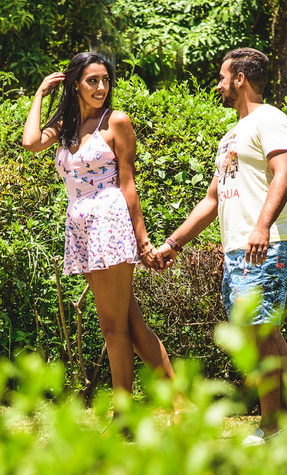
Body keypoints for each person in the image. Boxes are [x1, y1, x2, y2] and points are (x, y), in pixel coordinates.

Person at [154, 47, 287, 446]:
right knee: (258, 334)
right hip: (238, 247)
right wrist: (173, 244)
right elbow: (212, 199)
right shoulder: (231, 136)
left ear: (240, 79)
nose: (218, 84)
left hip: (265, 242)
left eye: (222, 77)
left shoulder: (271, 119)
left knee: (260, 331)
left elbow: (284, 174)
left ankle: (274, 426)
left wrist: (261, 227)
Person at [22, 51, 176, 405]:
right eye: (92, 80)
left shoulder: (115, 121)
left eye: (105, 80)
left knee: (112, 327)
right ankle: (180, 402)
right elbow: (31, 143)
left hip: (108, 222)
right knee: (130, 323)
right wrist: (40, 94)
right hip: (81, 226)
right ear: (75, 83)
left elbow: (128, 184)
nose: (101, 87)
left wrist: (143, 241)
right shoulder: (66, 123)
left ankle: (123, 415)